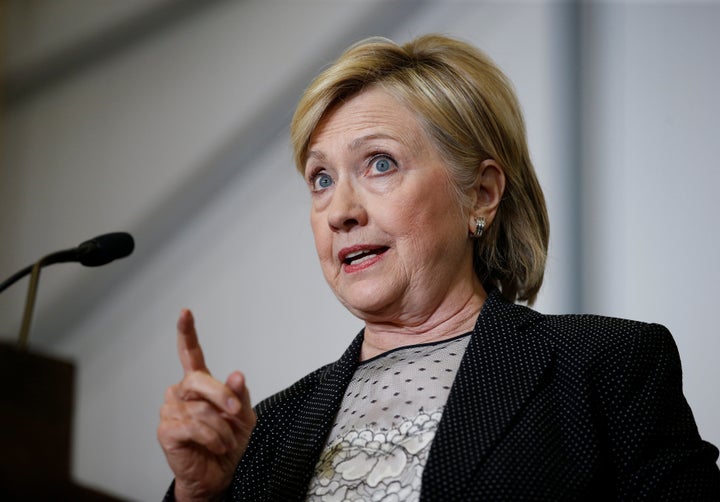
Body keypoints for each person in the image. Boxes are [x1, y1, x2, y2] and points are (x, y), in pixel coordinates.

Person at [157, 34, 720, 501]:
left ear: (480, 193)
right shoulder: (266, 430)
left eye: (379, 163)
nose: (340, 213)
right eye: (321, 179)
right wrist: (199, 497)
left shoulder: (603, 365)